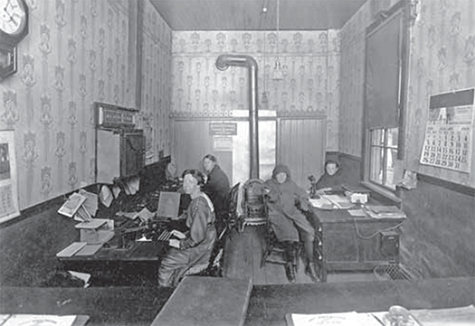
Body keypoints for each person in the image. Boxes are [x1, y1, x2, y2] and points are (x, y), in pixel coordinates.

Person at [158, 169, 217, 287]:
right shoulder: (200, 197)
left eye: (190, 182)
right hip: (204, 241)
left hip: (201, 248)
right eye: (184, 181)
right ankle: (173, 287)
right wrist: (185, 235)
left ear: (199, 184)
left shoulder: (198, 204)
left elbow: (197, 238)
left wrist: (181, 244)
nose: (186, 185)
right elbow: (201, 227)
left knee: (166, 262)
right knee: (170, 253)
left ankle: (164, 295)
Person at [264, 164, 318, 283]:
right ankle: (290, 265)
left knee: (310, 233)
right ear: (275, 175)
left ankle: (310, 265)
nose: (281, 177)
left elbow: (302, 193)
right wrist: (269, 193)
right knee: (291, 235)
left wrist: (303, 202)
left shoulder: (291, 183)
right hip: (277, 215)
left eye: (284, 175)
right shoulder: (269, 184)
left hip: (292, 213)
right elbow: (268, 196)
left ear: (287, 176)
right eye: (279, 175)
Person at [202, 154, 230, 233]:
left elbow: (208, 191)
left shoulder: (215, 174)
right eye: (204, 163)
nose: (206, 165)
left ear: (214, 163)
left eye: (208, 163)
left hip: (219, 204)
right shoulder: (216, 171)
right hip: (222, 200)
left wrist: (201, 187)